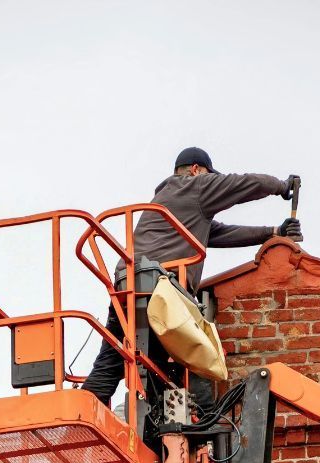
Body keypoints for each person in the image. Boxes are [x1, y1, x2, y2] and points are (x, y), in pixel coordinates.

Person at [81, 147, 303, 410]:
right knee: (198, 356)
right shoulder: (194, 186)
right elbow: (243, 184)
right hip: (161, 289)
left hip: (127, 287)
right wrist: (281, 186)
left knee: (110, 363)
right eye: (209, 176)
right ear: (197, 170)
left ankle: (80, 420)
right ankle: (205, 420)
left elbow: (219, 234)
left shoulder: (168, 201)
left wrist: (274, 231)